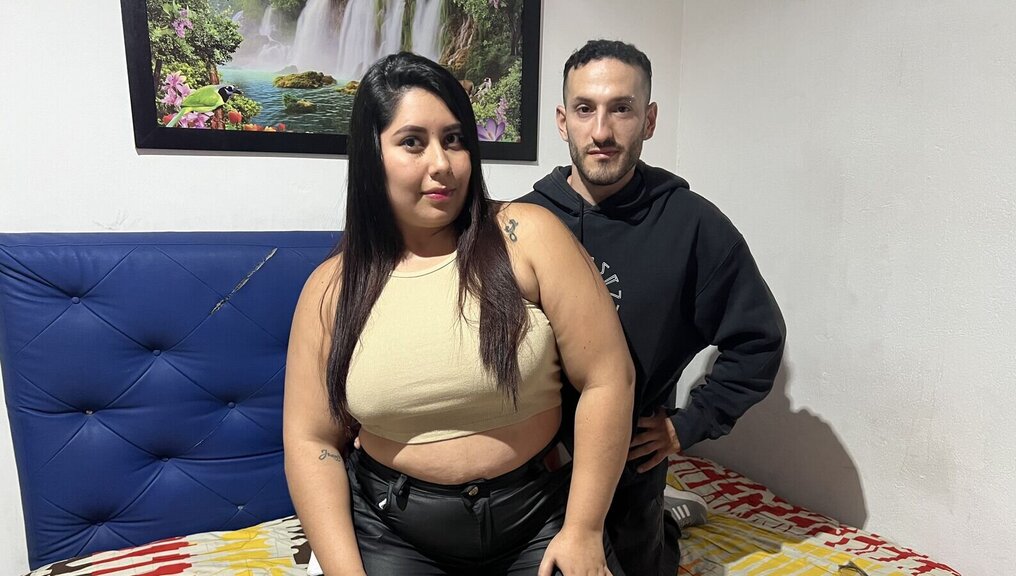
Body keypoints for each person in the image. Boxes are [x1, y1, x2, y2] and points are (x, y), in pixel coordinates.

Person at [283, 52, 634, 576]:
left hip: (539, 516)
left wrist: (584, 530)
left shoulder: (528, 235)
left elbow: (608, 377)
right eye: (412, 142)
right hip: (394, 527)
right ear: (371, 155)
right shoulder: (331, 289)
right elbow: (312, 441)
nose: (442, 164)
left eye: (454, 139)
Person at [518, 40, 787, 575]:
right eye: (585, 109)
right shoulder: (521, 220)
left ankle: (664, 520)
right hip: (527, 475)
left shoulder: (692, 226)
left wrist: (688, 424)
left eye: (621, 108)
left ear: (650, 119)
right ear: (562, 121)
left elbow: (759, 339)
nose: (601, 131)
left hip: (628, 480)